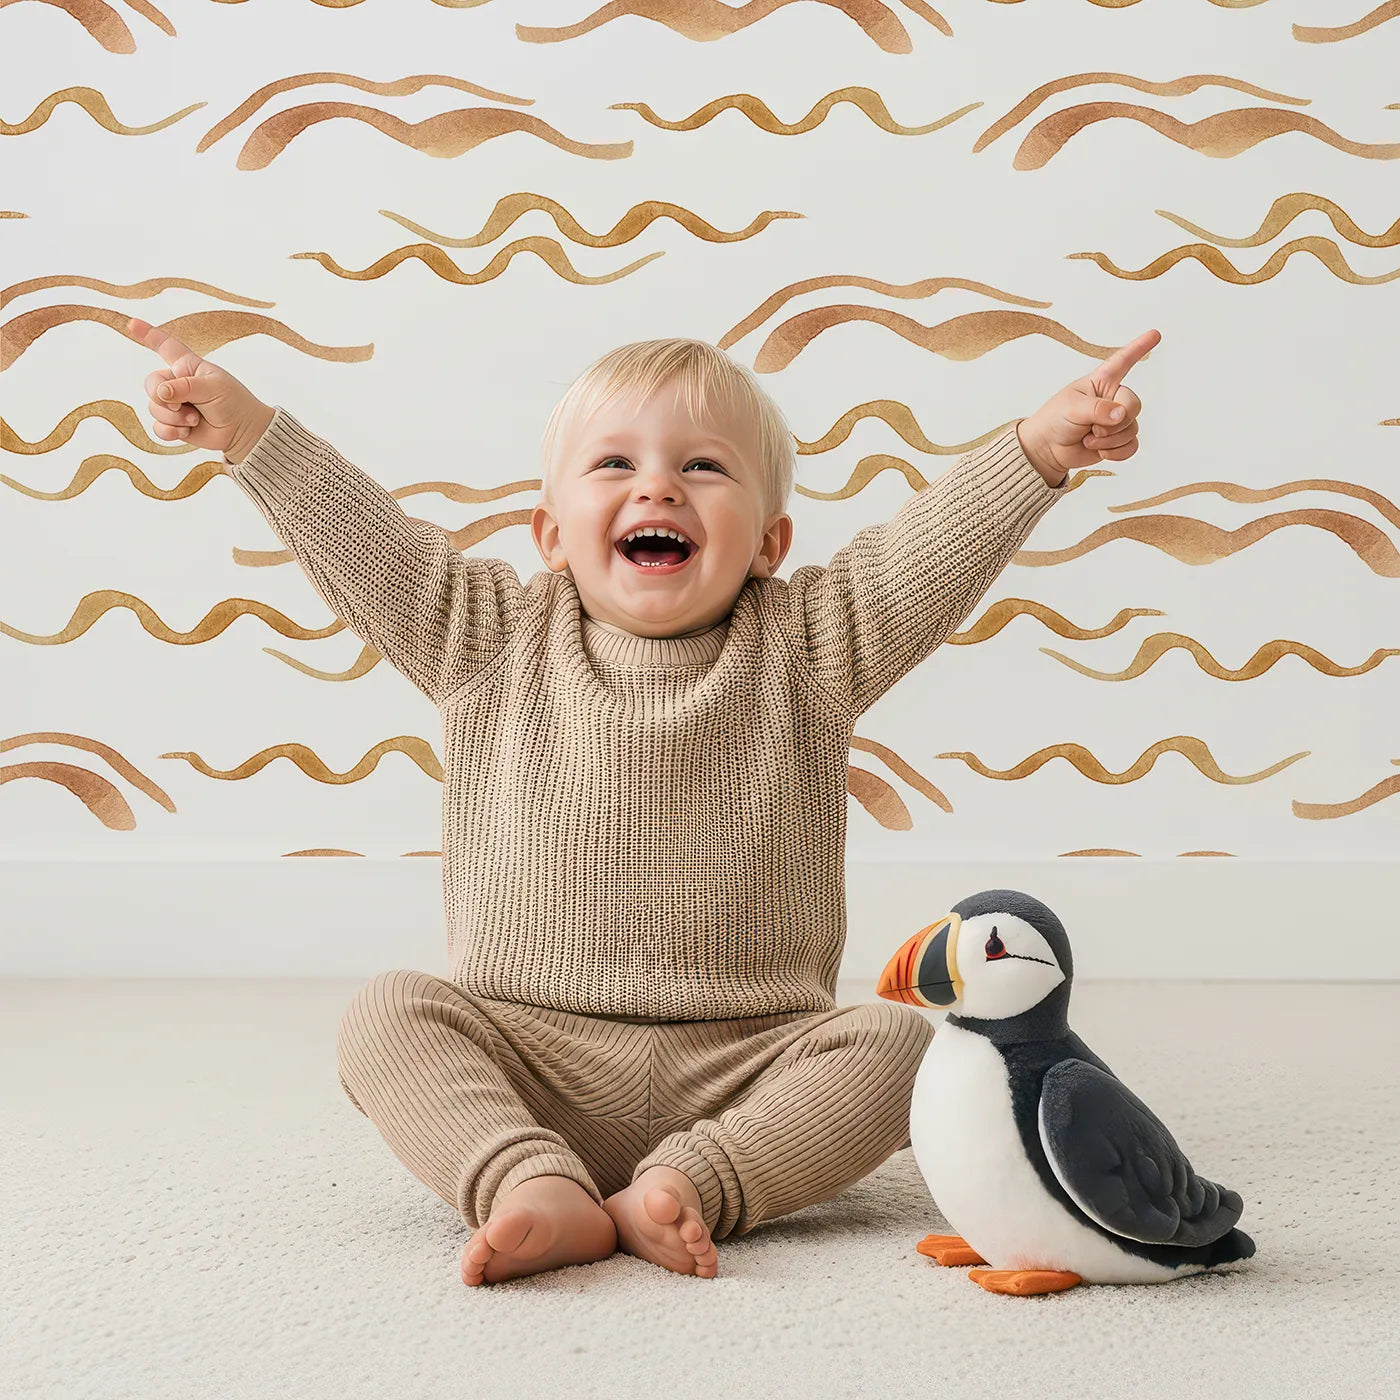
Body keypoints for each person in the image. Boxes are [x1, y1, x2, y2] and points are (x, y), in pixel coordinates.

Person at [123, 316, 1151, 1286]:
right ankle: (525, 1176)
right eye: (614, 464)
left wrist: (1040, 448)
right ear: (552, 532)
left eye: (701, 466)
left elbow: (926, 550)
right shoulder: (480, 636)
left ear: (767, 543)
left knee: (898, 1047)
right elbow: (363, 538)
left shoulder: (810, 647)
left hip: (747, 1060)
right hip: (527, 1051)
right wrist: (246, 427)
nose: (656, 486)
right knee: (386, 1014)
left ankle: (685, 1185)